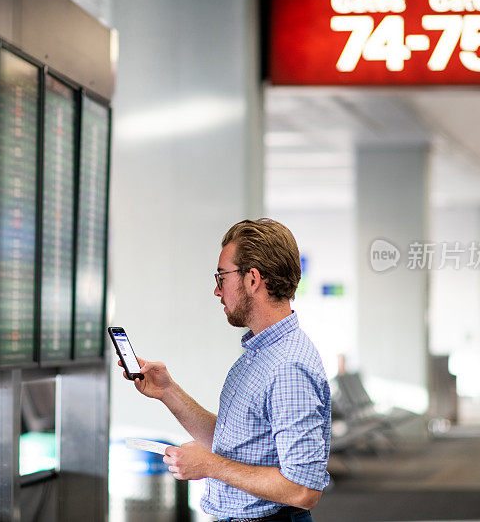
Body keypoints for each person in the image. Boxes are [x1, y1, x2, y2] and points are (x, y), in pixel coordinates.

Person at [118, 219, 331, 522]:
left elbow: (302, 489)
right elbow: (235, 442)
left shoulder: (288, 367)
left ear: (253, 279)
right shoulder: (261, 353)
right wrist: (167, 392)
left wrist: (210, 466)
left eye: (222, 277)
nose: (217, 291)